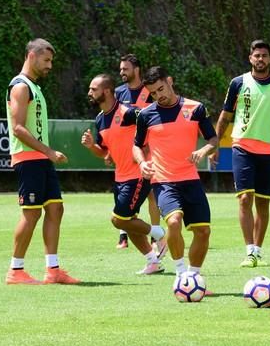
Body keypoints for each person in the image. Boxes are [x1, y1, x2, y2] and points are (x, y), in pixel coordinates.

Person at [211, 39, 270, 267]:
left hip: (268, 150)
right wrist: (215, 145)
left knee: (263, 203)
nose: (260, 59)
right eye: (256, 55)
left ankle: (258, 250)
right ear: (250, 58)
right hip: (242, 146)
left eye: (264, 56)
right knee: (244, 199)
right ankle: (249, 250)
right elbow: (225, 116)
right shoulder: (238, 83)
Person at [4, 38, 80, 285]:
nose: (49, 66)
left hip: (39, 159)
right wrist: (49, 151)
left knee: (56, 208)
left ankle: (53, 270)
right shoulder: (20, 86)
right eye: (46, 60)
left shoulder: (34, 87)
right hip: (31, 158)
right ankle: (15, 271)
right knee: (31, 213)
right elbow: (17, 128)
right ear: (31, 56)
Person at [133, 66, 218, 283]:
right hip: (163, 181)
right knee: (173, 222)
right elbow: (136, 146)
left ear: (170, 81)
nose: (159, 95)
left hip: (191, 180)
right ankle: (181, 276)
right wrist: (142, 163)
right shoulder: (146, 115)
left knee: (203, 232)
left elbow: (213, 139)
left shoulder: (196, 108)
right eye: (153, 93)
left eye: (161, 88)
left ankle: (194, 276)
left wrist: (203, 150)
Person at [81, 74, 168, 274]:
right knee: (129, 223)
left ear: (107, 91)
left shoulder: (129, 112)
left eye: (93, 89)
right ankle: (152, 261)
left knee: (118, 219)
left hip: (138, 174)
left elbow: (153, 126)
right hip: (120, 177)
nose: (90, 93)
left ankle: (159, 234)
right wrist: (91, 146)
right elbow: (104, 153)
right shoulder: (100, 119)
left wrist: (147, 155)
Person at [112, 54, 161, 250]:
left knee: (150, 194)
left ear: (137, 69)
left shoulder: (149, 91)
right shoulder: (117, 93)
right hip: (124, 151)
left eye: (125, 69)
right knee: (123, 190)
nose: (122, 72)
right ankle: (123, 234)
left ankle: (155, 234)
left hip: (147, 149)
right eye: (121, 69)